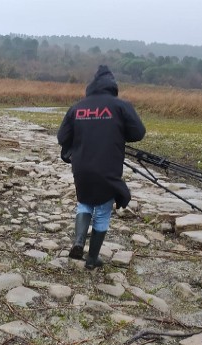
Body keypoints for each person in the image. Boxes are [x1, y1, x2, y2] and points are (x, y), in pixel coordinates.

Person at [57, 65, 146, 269]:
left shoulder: (77, 108)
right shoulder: (121, 106)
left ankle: (79, 241)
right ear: (113, 86)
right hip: (108, 167)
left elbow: (62, 137)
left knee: (84, 203)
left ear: (92, 86)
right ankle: (92, 259)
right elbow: (138, 133)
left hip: (82, 168)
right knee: (103, 211)